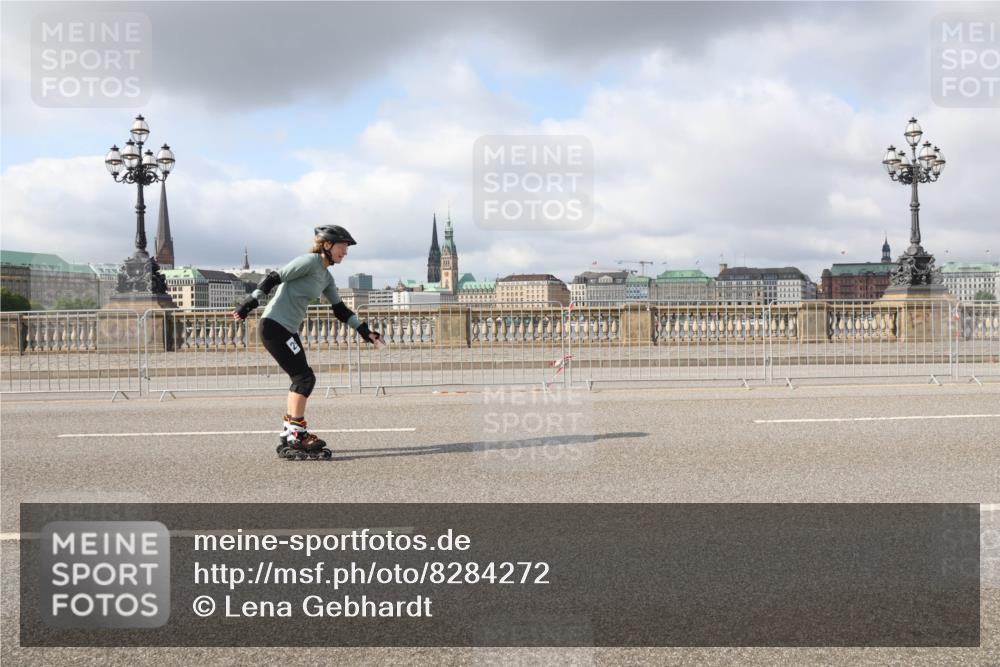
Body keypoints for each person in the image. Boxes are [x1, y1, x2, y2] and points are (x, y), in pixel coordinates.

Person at [232, 225, 381, 460]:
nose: (346, 252)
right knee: (304, 378)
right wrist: (250, 303)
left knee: (301, 379)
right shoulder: (309, 262)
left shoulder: (326, 277)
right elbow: (274, 277)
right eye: (343, 246)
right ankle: (297, 434)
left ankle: (291, 431)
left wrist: (365, 331)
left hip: (288, 330)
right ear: (327, 245)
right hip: (273, 326)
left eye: (347, 248)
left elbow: (340, 310)